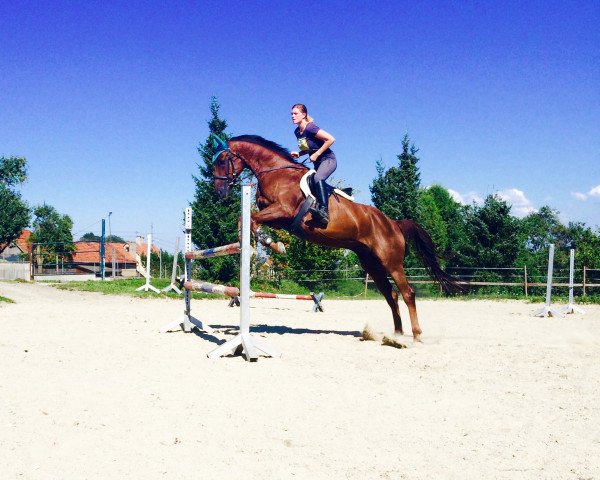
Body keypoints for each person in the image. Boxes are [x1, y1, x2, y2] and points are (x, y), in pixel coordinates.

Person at [290, 103, 337, 226]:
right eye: (291, 114)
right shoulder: (297, 132)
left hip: (328, 160)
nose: (292, 116)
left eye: (295, 113)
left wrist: (317, 154)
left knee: (317, 178)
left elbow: (331, 139)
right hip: (317, 164)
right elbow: (309, 148)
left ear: (303, 114)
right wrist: (299, 154)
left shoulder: (310, 128)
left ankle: (324, 212)